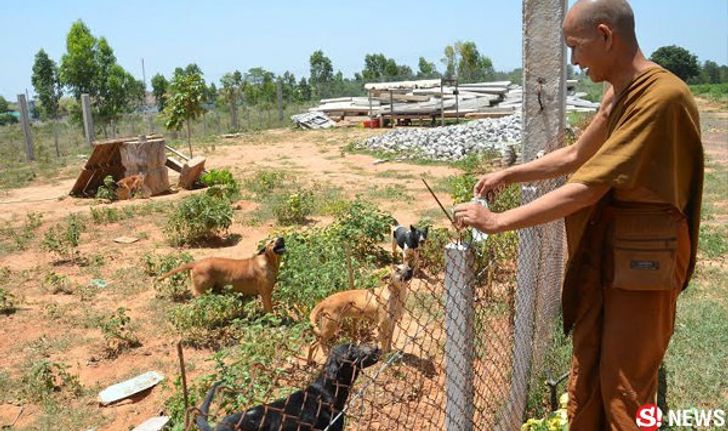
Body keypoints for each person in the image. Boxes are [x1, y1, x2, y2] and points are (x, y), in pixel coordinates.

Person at [452, 0, 704, 429]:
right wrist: (510, 174)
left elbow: (588, 186)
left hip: (645, 259)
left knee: (627, 386)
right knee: (590, 370)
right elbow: (575, 156)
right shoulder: (619, 91)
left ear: (606, 36)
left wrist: (498, 222)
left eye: (576, 46)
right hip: (608, 250)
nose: (573, 60)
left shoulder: (660, 98)